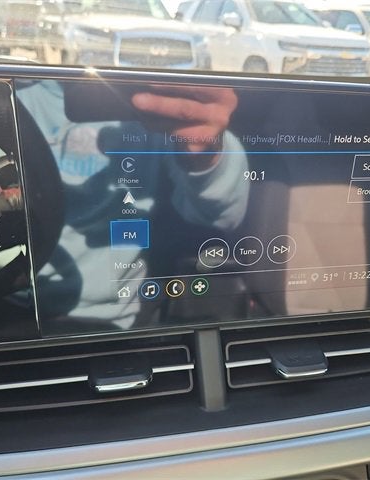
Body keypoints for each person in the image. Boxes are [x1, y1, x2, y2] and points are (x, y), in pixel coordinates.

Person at [17, 80, 249, 330]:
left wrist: (208, 151)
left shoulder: (157, 100)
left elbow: (223, 215)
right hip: (6, 299)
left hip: (110, 318)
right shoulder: (9, 91)